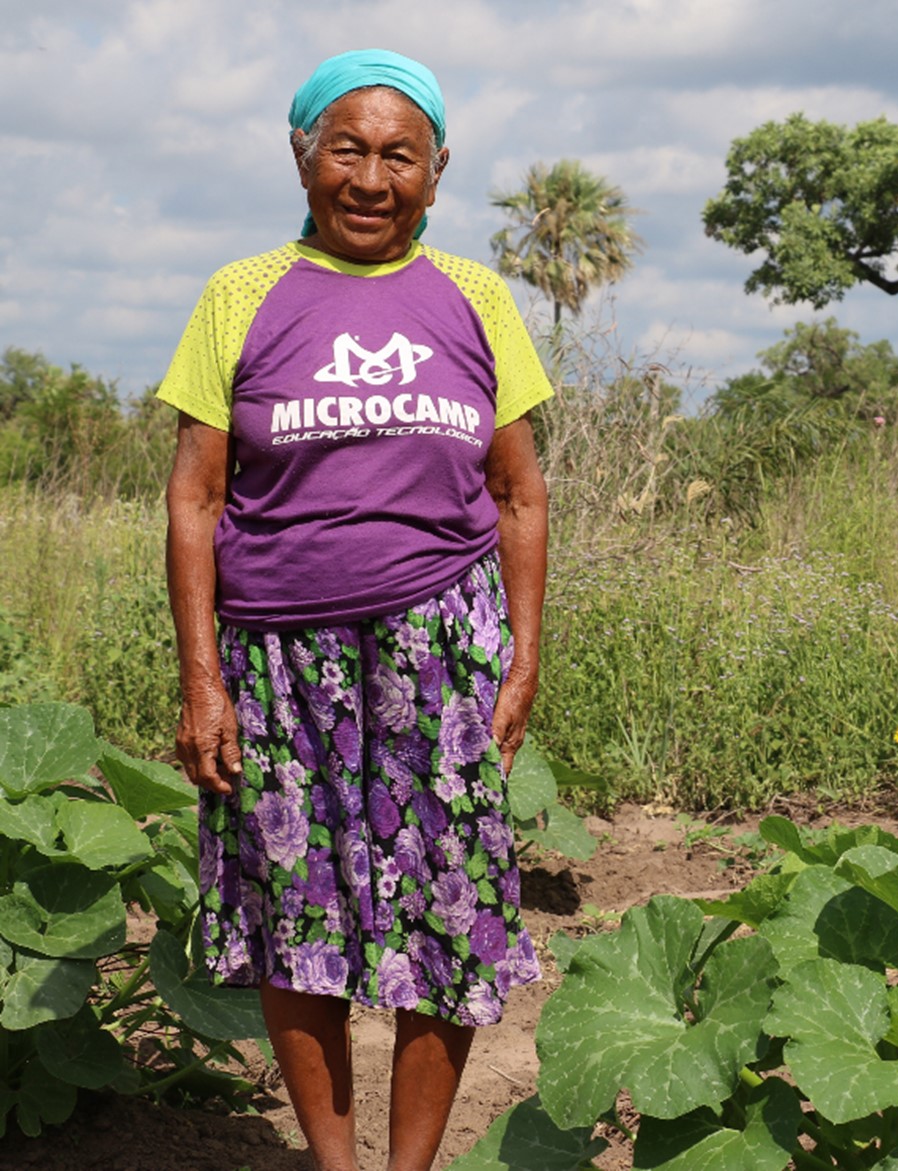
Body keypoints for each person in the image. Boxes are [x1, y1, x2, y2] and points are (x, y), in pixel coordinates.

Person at [159, 48, 550, 1171]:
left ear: (434, 175)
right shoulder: (240, 294)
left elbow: (518, 493)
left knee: (453, 912)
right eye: (347, 149)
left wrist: (520, 660)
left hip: (442, 647)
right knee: (299, 914)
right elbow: (194, 497)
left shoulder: (474, 296)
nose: (370, 179)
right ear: (301, 160)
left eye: (398, 156)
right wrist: (203, 678)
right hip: (276, 658)